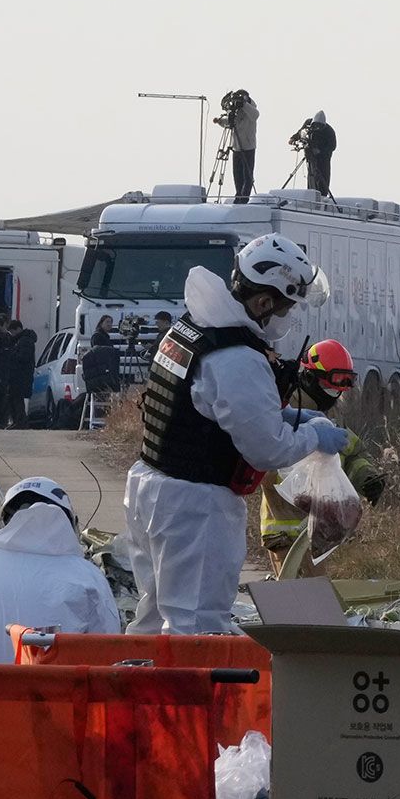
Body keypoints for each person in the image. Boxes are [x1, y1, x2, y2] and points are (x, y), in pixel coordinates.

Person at [124, 234, 345, 634]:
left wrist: (295, 416)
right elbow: (266, 449)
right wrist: (314, 437)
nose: (289, 317)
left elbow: (212, 408)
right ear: (262, 303)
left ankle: (143, 690)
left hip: (151, 482)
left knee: (155, 616)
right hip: (194, 505)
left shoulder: (193, 327)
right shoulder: (238, 358)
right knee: (197, 624)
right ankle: (188, 698)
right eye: (287, 306)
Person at [0, 478, 119, 663]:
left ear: (5, 521)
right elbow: (108, 653)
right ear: (70, 522)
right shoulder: (87, 575)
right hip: (55, 689)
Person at [261, 340, 388, 553]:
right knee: (298, 587)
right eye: (334, 380)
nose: (337, 390)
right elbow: (270, 462)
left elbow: (352, 450)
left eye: (346, 381)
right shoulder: (288, 407)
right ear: (311, 377)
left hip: (322, 532)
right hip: (288, 533)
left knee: (319, 586)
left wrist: (366, 477)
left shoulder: (328, 412)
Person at [221, 89, 259, 203]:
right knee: (237, 175)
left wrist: (244, 104)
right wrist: (220, 121)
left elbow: (255, 115)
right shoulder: (237, 112)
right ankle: (238, 196)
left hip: (248, 147)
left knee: (247, 176)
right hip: (236, 147)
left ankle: (244, 198)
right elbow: (231, 122)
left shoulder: (251, 110)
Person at [291, 111, 337, 198]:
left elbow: (332, 146)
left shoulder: (329, 132)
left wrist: (320, 151)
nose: (317, 128)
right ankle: (311, 194)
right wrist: (294, 138)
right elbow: (301, 132)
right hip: (310, 154)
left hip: (323, 158)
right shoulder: (308, 123)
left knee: (323, 176)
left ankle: (323, 195)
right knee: (311, 175)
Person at [81, 319, 126, 400]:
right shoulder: (97, 336)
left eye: (111, 322)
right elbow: (98, 353)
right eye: (107, 322)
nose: (110, 324)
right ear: (101, 323)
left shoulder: (105, 336)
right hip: (102, 371)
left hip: (104, 370)